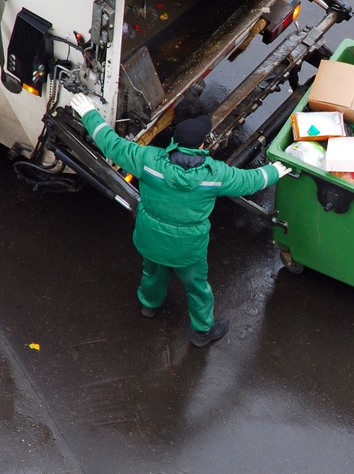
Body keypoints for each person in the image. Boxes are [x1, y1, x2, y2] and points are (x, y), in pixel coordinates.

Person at [70, 94, 292, 347]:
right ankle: (202, 331)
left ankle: (149, 305)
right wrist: (275, 170)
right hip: (188, 249)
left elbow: (111, 144)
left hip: (150, 238)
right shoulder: (214, 175)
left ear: (175, 141)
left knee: (152, 271)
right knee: (197, 287)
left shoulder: (148, 160)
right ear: (200, 147)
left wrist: (89, 113)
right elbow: (250, 180)